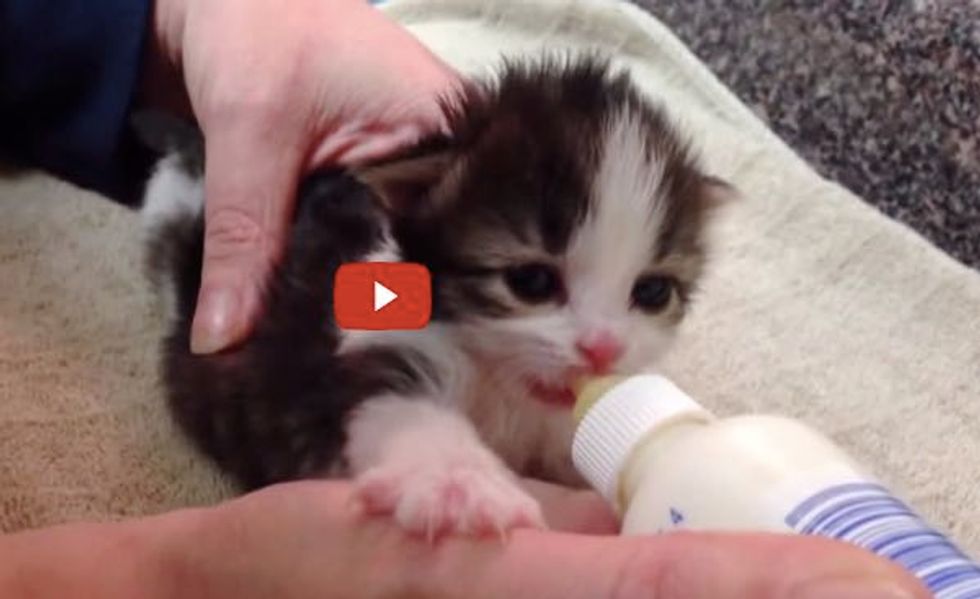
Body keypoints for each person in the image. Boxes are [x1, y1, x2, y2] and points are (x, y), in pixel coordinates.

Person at [0, 1, 928, 598]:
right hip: (259, 229)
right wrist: (433, 461)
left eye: (650, 292)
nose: (603, 346)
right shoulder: (404, 294)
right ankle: (184, 177)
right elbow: (386, 392)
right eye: (533, 282)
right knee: (297, 287)